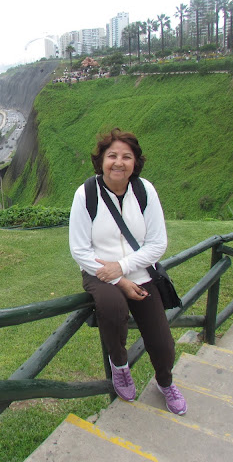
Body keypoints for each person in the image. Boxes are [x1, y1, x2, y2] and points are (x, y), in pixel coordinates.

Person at [68, 127, 187, 416]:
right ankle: (119, 366)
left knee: (162, 342)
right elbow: (80, 250)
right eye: (112, 156)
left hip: (140, 272)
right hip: (98, 272)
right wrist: (118, 279)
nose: (118, 163)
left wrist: (123, 268)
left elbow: (158, 243)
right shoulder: (86, 194)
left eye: (126, 157)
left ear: (135, 162)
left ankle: (166, 382)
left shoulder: (144, 191)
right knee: (113, 307)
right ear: (101, 160)